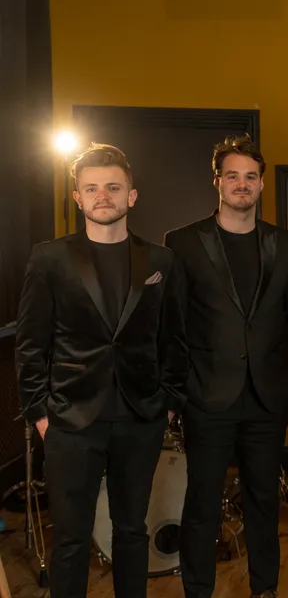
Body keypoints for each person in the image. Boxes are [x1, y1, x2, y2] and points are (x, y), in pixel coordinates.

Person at [15, 143, 188, 598]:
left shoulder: (160, 262)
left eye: (113, 187)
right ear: (78, 198)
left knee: (131, 532)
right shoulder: (49, 258)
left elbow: (173, 338)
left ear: (131, 195)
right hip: (70, 421)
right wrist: (40, 415)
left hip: (140, 416)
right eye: (91, 188)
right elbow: (31, 344)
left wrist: (167, 405)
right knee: (70, 540)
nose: (103, 196)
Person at [164, 135, 288, 598]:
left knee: (263, 501)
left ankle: (264, 589)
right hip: (207, 396)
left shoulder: (285, 244)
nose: (242, 184)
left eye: (250, 176)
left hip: (268, 397)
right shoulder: (183, 243)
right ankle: (198, 591)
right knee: (202, 502)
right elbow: (172, 323)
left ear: (262, 184)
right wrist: (181, 388)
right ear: (218, 182)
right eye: (233, 176)